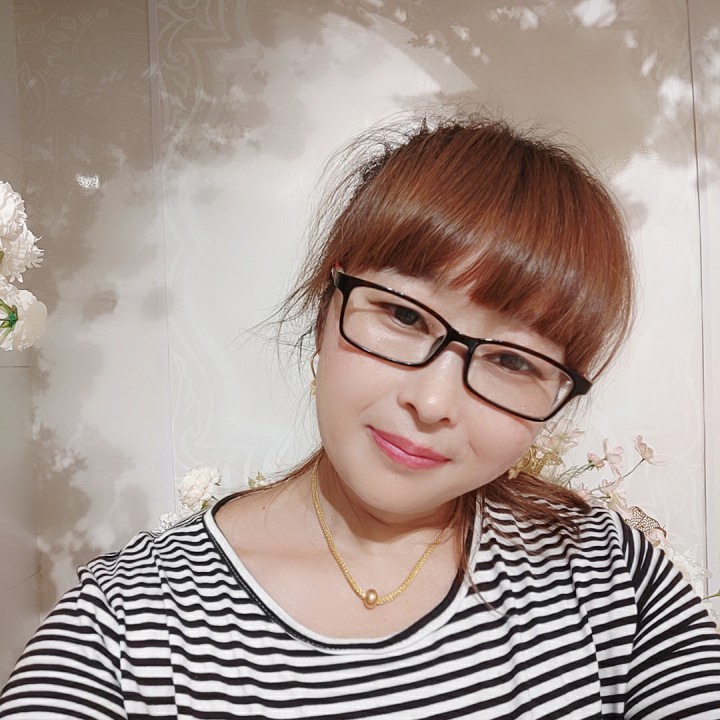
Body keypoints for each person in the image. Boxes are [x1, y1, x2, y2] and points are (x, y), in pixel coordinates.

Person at [1, 115, 719, 719]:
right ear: (326, 305)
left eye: (512, 361)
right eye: (404, 316)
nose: (432, 404)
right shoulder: (130, 626)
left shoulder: (607, 578)